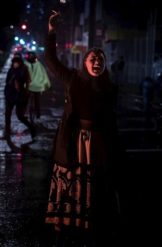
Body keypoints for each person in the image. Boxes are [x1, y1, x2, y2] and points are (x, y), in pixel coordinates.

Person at [44, 11, 120, 246]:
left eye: (100, 60)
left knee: (95, 181)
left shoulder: (109, 88)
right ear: (84, 63)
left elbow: (110, 120)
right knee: (71, 178)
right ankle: (66, 221)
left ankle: (93, 221)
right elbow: (52, 60)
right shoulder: (73, 80)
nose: (97, 62)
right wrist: (51, 33)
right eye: (92, 59)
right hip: (75, 139)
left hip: (99, 141)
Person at [4, 56, 36, 140]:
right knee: (7, 113)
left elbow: (27, 82)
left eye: (17, 62)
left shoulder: (24, 71)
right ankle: (7, 131)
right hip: (10, 95)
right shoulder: (11, 70)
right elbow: (7, 81)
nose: (15, 64)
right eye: (14, 62)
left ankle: (32, 128)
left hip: (20, 96)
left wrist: (24, 89)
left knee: (20, 116)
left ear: (20, 63)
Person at [24, 51, 51, 124]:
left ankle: (33, 113)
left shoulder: (28, 64)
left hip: (30, 85)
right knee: (34, 100)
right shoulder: (29, 64)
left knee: (30, 99)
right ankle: (37, 114)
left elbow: (43, 74)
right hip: (32, 85)